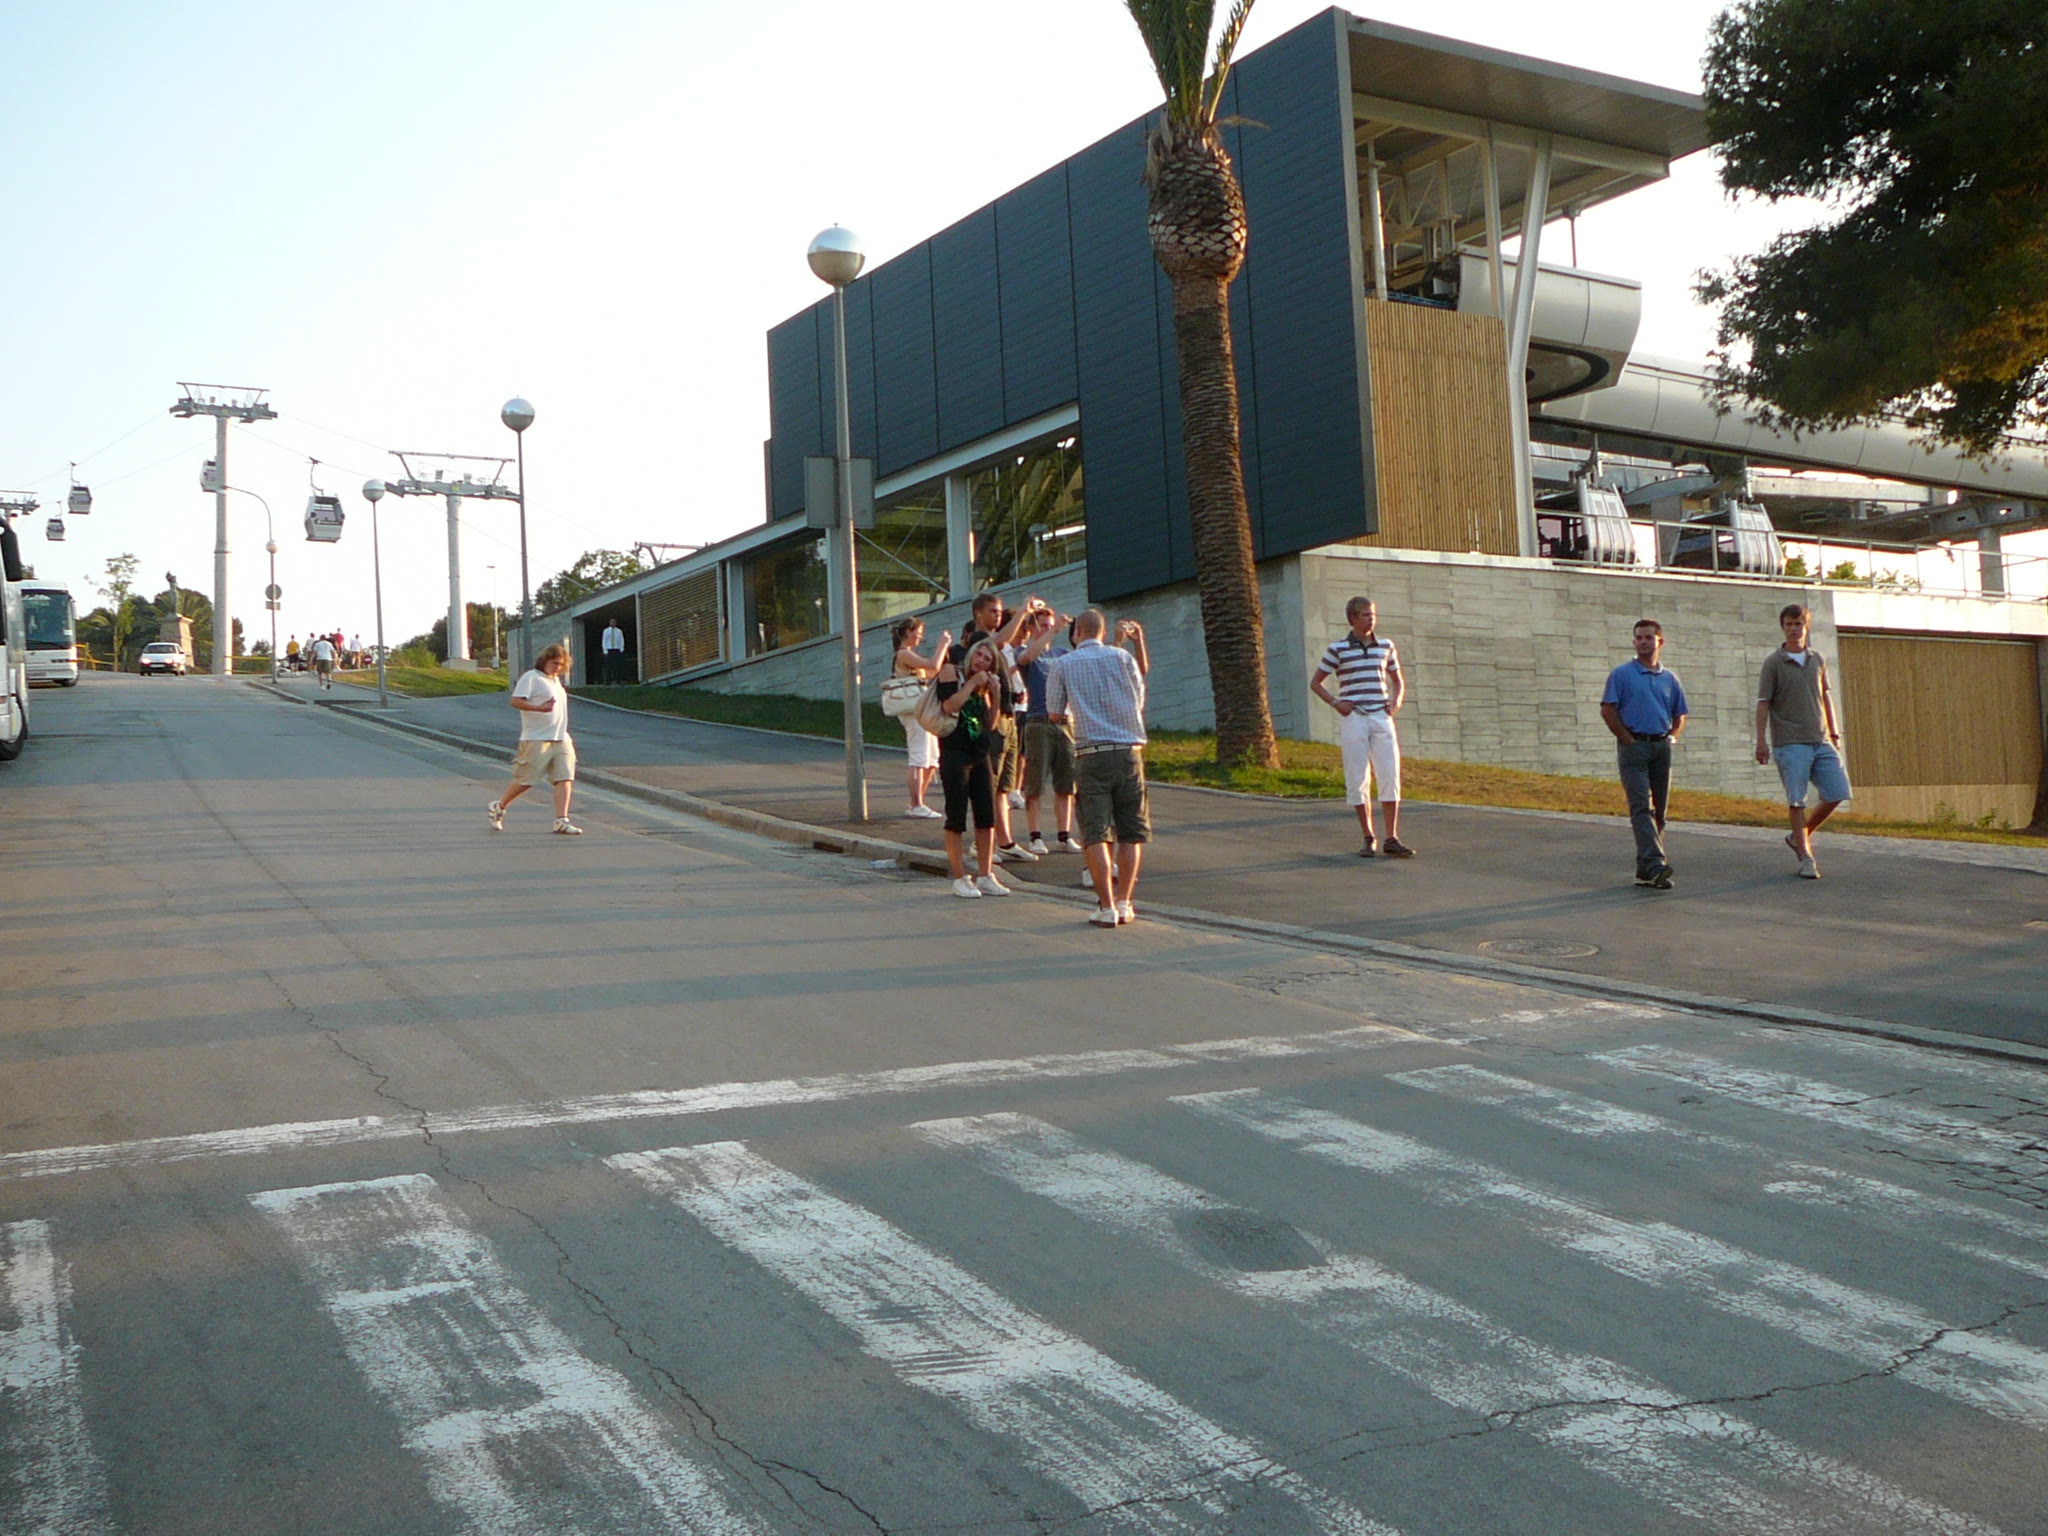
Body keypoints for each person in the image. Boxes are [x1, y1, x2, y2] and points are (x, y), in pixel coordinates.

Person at [1046, 608, 1149, 926]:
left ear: (1077, 632)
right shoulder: (1124, 658)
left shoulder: (1064, 663)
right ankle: (1125, 902)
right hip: (1129, 751)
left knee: (1095, 832)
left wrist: (1077, 712)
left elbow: (1053, 712)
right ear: (1103, 633)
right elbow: (1138, 700)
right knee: (1130, 832)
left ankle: (1105, 906)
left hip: (1091, 753)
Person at [1308, 596, 1413, 857]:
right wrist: (1336, 703)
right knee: (1357, 776)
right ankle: (1368, 837)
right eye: (1366, 615)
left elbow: (1397, 680)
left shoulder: (1385, 646)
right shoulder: (1338, 649)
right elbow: (1316, 682)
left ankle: (1391, 837)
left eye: (1372, 614)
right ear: (1353, 618)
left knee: (1389, 773)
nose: (1371, 619)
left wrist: (1396, 702)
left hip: (1380, 715)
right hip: (1354, 717)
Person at [1756, 604, 1850, 879]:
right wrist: (1761, 741)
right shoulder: (1774, 663)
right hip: (1790, 742)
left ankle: (1799, 835)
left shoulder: (1817, 659)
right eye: (1789, 624)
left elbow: (1826, 697)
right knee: (1797, 801)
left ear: (1806, 626)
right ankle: (1806, 857)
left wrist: (1834, 733)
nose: (1793, 629)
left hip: (1820, 739)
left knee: (1837, 791)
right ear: (1782, 627)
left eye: (1798, 624)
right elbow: (1763, 703)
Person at [1599, 619, 1687, 890]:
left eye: (1649, 637)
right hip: (1634, 747)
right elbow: (1608, 709)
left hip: (1661, 747)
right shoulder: (1622, 675)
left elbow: (1680, 713)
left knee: (1659, 811)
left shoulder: (1669, 679)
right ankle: (1656, 864)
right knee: (1641, 806)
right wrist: (1627, 739)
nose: (1643, 642)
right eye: (1639, 638)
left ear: (1660, 641)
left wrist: (1672, 736)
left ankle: (1645, 871)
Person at [953, 592, 1035, 863]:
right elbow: (998, 641)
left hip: (1009, 715)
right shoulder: (979, 643)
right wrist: (1023, 611)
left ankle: (1005, 841)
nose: (998, 616)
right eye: (993, 611)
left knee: (1004, 787)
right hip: (991, 720)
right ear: (978, 613)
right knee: (990, 784)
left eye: (1000, 612)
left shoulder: (999, 644)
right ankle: (982, 844)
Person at [934, 638, 1010, 897]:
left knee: (986, 816)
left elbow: (990, 724)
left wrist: (995, 694)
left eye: (987, 660)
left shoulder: (983, 687)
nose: (981, 661)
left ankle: (986, 874)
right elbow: (949, 706)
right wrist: (971, 684)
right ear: (970, 655)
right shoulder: (951, 672)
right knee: (956, 815)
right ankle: (959, 877)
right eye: (979, 655)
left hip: (979, 753)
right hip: (954, 752)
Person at [488, 643, 582, 835]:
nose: (557, 667)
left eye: (561, 664)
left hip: (560, 737)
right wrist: (539, 708)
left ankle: (561, 820)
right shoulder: (531, 677)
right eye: (554, 663)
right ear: (545, 660)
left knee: (564, 777)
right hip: (536, 737)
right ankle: (500, 806)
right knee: (526, 780)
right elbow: (516, 701)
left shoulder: (555, 682)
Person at [1016, 605, 1079, 854]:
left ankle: (1064, 835)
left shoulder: (1062, 654)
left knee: (1066, 783)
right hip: (1038, 721)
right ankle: (1035, 836)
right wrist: (1052, 632)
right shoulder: (1025, 651)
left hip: (1064, 721)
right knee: (1035, 783)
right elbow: (1026, 658)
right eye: (1042, 625)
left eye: (1050, 626)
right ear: (1032, 628)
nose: (1048, 630)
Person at [891, 616, 949, 819]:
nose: (920, 637)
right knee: (919, 754)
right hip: (913, 711)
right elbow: (932, 665)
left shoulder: (910, 656)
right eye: (918, 632)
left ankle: (918, 801)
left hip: (922, 709)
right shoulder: (903, 654)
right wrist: (942, 646)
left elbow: (932, 671)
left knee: (932, 757)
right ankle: (916, 803)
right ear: (907, 632)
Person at [600, 619, 627, 685]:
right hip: (609, 649)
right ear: (609, 623)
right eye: (612, 622)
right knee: (608, 667)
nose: (613, 623)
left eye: (614, 622)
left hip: (616, 649)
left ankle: (619, 680)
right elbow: (604, 640)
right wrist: (605, 650)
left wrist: (621, 649)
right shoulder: (606, 631)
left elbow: (621, 640)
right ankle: (607, 681)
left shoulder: (619, 631)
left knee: (617, 666)